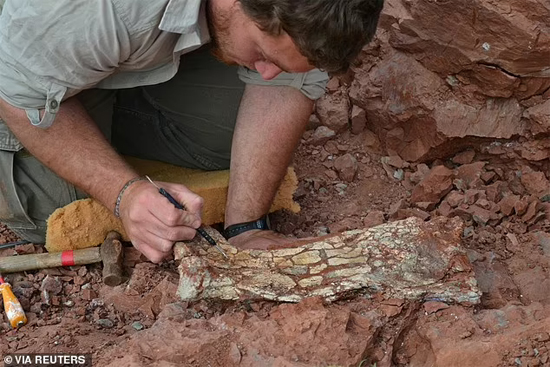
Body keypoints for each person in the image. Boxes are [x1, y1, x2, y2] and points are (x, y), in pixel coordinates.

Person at [0, 0, 384, 263]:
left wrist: (246, 228)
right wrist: (124, 194)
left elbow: (292, 70)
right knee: (56, 204)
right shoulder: (109, 9)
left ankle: (92, 90)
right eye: (263, 54)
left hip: (91, 50)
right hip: (14, 65)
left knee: (232, 143)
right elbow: (17, 94)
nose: (265, 72)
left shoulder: (298, 15)